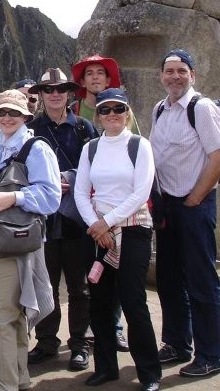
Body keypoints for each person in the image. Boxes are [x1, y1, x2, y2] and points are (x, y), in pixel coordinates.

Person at [74, 88, 161, 391]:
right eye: (105, 109)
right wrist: (97, 226)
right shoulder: (91, 148)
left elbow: (141, 193)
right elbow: (80, 192)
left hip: (133, 228)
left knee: (133, 300)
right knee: (99, 301)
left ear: (127, 113)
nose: (112, 114)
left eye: (118, 109)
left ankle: (149, 373)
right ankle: (106, 367)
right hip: (98, 231)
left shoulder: (140, 146)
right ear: (97, 115)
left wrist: (106, 223)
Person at [150, 49, 220, 379]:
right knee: (169, 279)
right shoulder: (159, 109)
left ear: (192, 75)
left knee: (201, 280)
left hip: (194, 205)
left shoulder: (202, 108)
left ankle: (210, 355)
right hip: (167, 205)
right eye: (169, 71)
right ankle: (177, 343)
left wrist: (195, 198)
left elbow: (219, 158)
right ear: (161, 76)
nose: (175, 76)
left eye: (181, 70)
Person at [0, 89, 61, 391]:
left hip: (18, 243)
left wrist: (15, 197)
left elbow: (51, 196)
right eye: (1, 112)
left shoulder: (36, 148)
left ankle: (2, 385)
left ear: (25, 116)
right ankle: (19, 378)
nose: (6, 117)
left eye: (13, 112)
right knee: (12, 315)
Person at [27, 67, 95, 372]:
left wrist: (70, 179)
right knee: (46, 284)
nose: (55, 94)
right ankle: (46, 342)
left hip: (76, 219)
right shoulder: (31, 129)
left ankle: (80, 343)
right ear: (41, 94)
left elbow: (97, 167)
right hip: (44, 219)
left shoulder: (84, 128)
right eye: (48, 90)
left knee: (80, 287)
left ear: (69, 93)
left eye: (60, 89)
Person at [71, 54, 137, 351]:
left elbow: (137, 155)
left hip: (120, 210)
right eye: (90, 73)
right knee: (90, 275)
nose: (95, 77)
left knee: (118, 271)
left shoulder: (123, 112)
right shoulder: (75, 112)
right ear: (82, 81)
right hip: (86, 207)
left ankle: (115, 327)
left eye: (100, 72)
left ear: (109, 79)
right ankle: (89, 330)